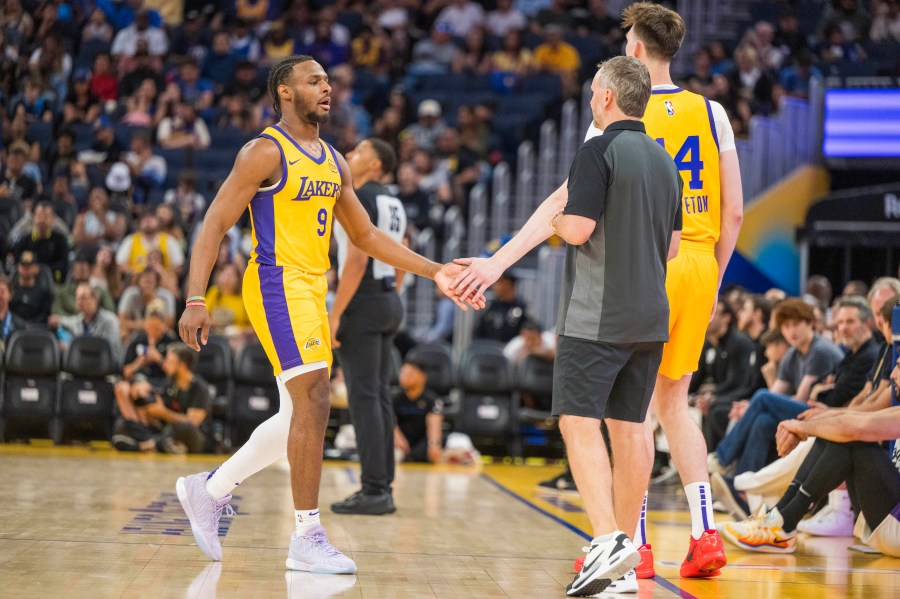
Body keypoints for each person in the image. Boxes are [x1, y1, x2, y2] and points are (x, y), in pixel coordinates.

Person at [451, 2, 743, 579]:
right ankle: (703, 528)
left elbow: (566, 204)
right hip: (696, 261)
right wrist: (712, 285)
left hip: (629, 276)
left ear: (632, 51)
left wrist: (500, 259)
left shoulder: (610, 121)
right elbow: (732, 213)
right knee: (671, 407)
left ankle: (624, 540)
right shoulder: (712, 113)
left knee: (610, 419)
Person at [174, 56, 481, 573]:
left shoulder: (334, 160)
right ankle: (305, 534)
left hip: (312, 289)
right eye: (313, 81)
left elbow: (365, 236)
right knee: (316, 396)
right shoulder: (264, 151)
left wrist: (437, 272)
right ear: (285, 93)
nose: (327, 88)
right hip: (274, 282)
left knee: (299, 414)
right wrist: (195, 297)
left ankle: (209, 490)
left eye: (327, 80)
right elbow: (214, 221)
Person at [721, 357, 900, 555]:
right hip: (890, 519)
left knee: (850, 437)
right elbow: (859, 417)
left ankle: (782, 523)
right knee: (833, 431)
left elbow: (858, 427)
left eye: (899, 366)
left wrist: (803, 428)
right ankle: (779, 518)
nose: (892, 374)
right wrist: (818, 420)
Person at [328, 138, 407, 516]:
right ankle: (383, 486)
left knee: (363, 398)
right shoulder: (393, 201)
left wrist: (335, 314)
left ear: (376, 165)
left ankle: (374, 490)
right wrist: (392, 288)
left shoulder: (360, 197)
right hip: (388, 297)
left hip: (362, 300)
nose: (350, 155)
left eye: (359, 152)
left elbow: (356, 262)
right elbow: (404, 249)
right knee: (379, 396)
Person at [112, 342, 211, 454]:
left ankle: (142, 446)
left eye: (169, 360)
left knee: (185, 428)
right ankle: (160, 445)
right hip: (167, 431)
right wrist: (146, 399)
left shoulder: (200, 388)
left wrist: (163, 413)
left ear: (181, 366)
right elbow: (159, 414)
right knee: (123, 424)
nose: (164, 364)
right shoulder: (170, 383)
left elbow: (192, 423)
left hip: (194, 438)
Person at [393, 357, 444, 464]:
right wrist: (397, 438)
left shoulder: (432, 400)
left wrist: (434, 445)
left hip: (422, 440)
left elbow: (434, 425)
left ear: (422, 377)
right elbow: (389, 421)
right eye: (402, 373)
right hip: (401, 440)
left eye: (410, 374)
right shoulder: (394, 398)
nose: (405, 377)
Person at [50, 282, 121, 355]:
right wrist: (57, 320)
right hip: (80, 363)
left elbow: (111, 348)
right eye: (78, 298)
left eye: (83, 298)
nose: (79, 302)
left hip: (104, 363)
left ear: (95, 300)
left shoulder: (110, 320)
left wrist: (73, 347)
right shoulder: (78, 320)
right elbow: (67, 321)